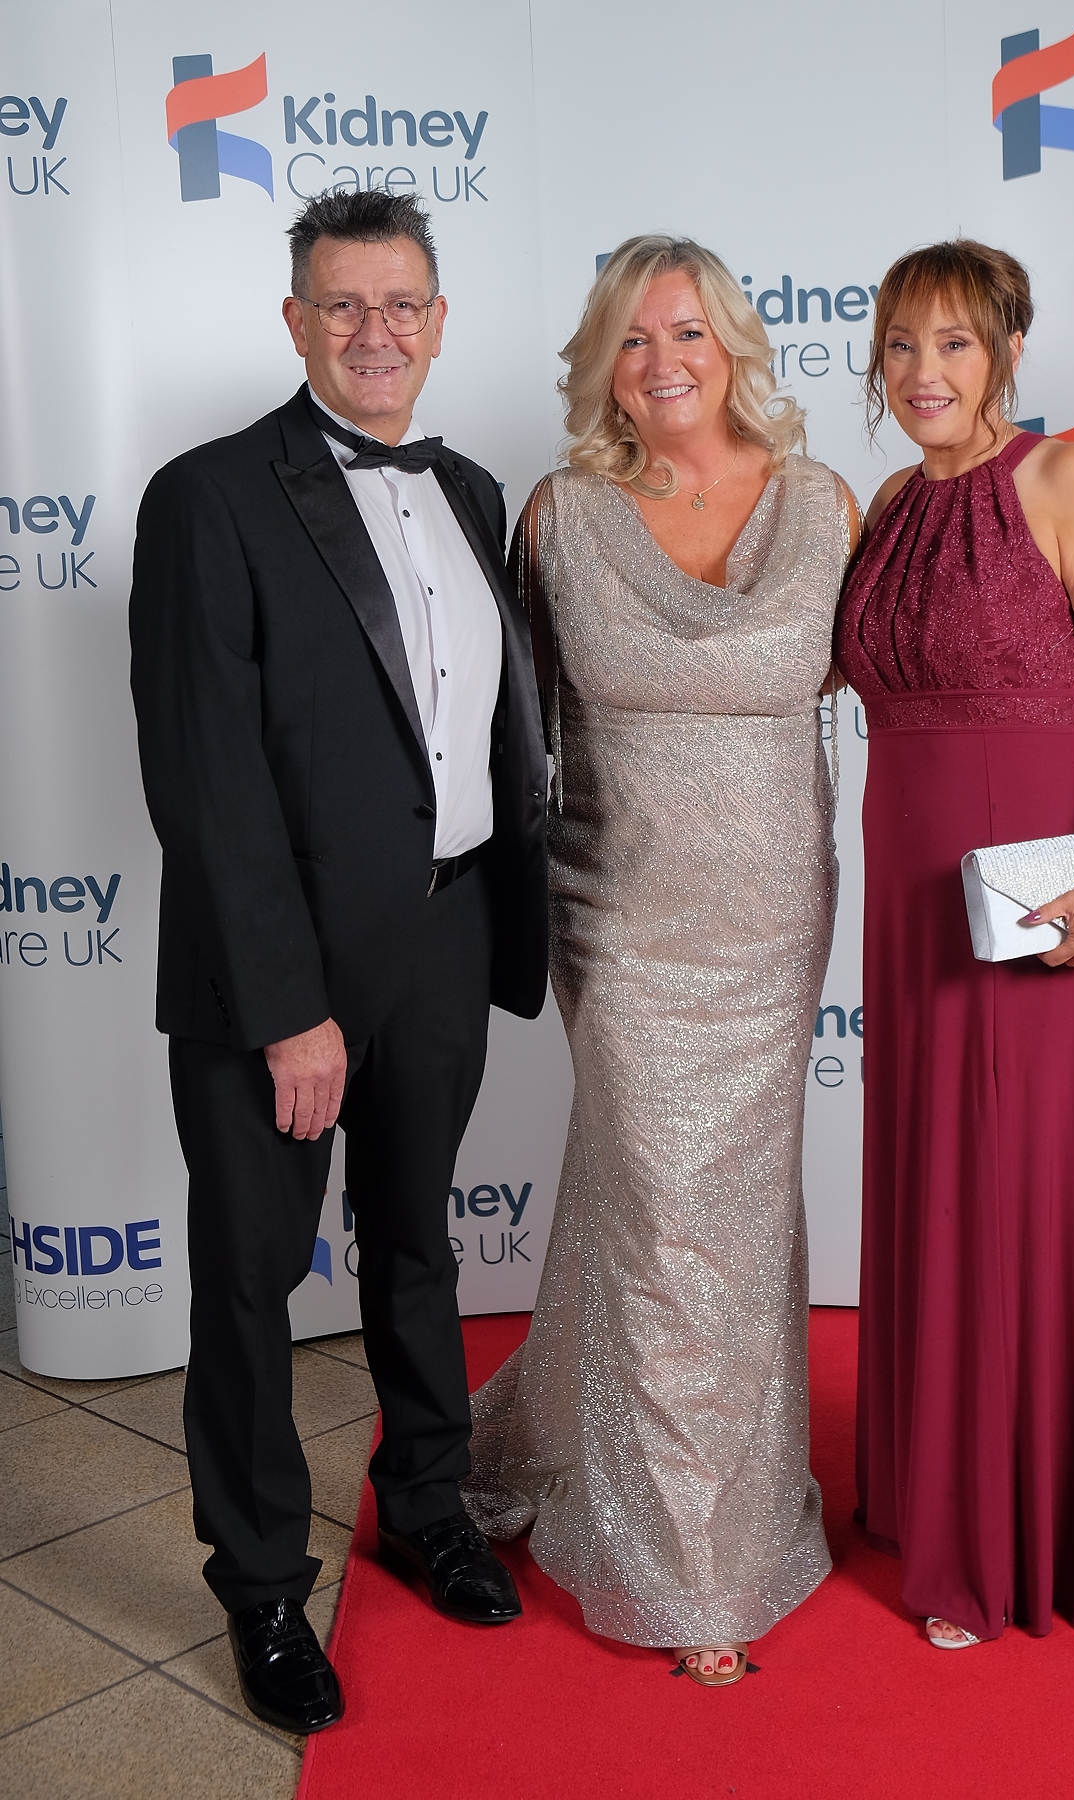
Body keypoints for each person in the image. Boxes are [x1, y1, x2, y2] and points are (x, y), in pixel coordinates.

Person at [128, 189, 547, 1733]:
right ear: (295, 321)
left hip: (445, 932)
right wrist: (288, 1004)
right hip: (281, 973)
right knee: (248, 1282)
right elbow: (206, 779)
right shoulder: (210, 496)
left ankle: (426, 1504)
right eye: (343, 306)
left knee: (421, 1243)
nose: (376, 333)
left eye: (403, 305)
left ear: (438, 321)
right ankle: (259, 1588)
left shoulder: (478, 490)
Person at [461, 236, 859, 1686]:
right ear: (601, 365)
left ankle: (655, 1483)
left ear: (730, 341)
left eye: (682, 331)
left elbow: (917, 674)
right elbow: (511, 733)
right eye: (630, 340)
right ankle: (689, 1567)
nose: (660, 361)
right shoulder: (559, 518)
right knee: (661, 1205)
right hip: (618, 919)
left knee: (723, 1214)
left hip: (768, 919)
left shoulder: (825, 504)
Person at [834, 239, 1074, 1648]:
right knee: (936, 1184)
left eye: (954, 344)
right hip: (912, 884)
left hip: (1040, 893)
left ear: (1008, 352)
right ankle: (932, 1493)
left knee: (1019, 1187)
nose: (923, 372)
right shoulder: (884, 504)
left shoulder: (1060, 479)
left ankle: (1017, 1535)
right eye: (901, 345)